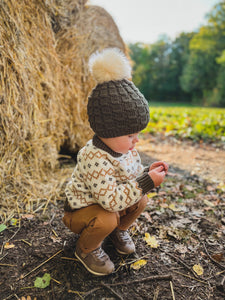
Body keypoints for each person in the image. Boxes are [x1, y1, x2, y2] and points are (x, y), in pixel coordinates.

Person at [62, 48, 169, 276]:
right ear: (108, 130)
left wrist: (148, 172)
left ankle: (118, 231)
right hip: (81, 213)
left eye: (137, 134)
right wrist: (146, 182)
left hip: (108, 206)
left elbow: (133, 176)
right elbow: (111, 201)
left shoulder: (126, 150)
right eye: (130, 135)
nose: (136, 140)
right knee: (108, 217)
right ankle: (86, 249)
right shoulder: (93, 157)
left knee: (141, 199)